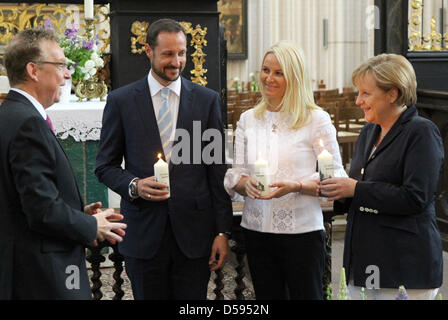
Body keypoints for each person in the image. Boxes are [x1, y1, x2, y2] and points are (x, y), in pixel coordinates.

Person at [95, 18, 233, 300]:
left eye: (181, 53)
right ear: (148, 50)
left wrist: (222, 231)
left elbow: (217, 170)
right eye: (168, 54)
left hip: (194, 238)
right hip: (144, 235)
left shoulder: (206, 101)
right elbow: (105, 166)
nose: (177, 61)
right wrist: (134, 185)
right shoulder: (121, 101)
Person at [0, 28, 127, 300]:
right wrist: (91, 227)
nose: (67, 74)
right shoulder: (28, 123)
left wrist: (78, 213)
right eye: (60, 65)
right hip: (43, 274)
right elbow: (41, 210)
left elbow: (20, 199)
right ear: (33, 70)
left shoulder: (11, 114)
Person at [224, 41, 346, 300]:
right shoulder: (248, 119)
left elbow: (334, 176)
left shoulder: (316, 119)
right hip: (256, 231)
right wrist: (244, 184)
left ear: (294, 76)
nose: (269, 78)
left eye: (278, 72)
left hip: (301, 232)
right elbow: (237, 173)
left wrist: (297, 186)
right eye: (266, 70)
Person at [320, 53, 444, 300]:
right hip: (365, 263)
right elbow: (361, 191)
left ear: (393, 93)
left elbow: (415, 197)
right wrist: (332, 191)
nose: (358, 101)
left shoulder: (421, 131)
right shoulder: (369, 132)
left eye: (366, 93)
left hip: (405, 266)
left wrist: (354, 189)